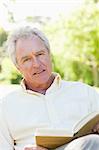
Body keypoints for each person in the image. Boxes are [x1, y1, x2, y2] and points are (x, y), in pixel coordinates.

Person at [0, 25, 99, 150]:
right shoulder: (5, 107)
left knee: (92, 142)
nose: (36, 64)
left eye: (40, 54)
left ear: (49, 55)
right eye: (27, 60)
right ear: (18, 67)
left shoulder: (86, 93)